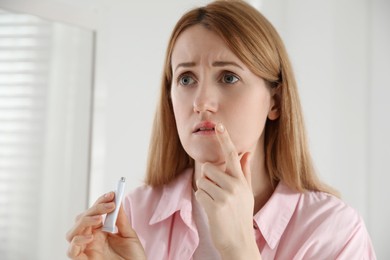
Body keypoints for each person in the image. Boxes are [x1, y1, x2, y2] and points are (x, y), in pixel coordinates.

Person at [66, 0, 376, 259]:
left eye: (228, 77)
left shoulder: (334, 231)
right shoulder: (131, 217)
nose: (201, 102)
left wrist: (240, 249)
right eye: (186, 79)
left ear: (275, 101)